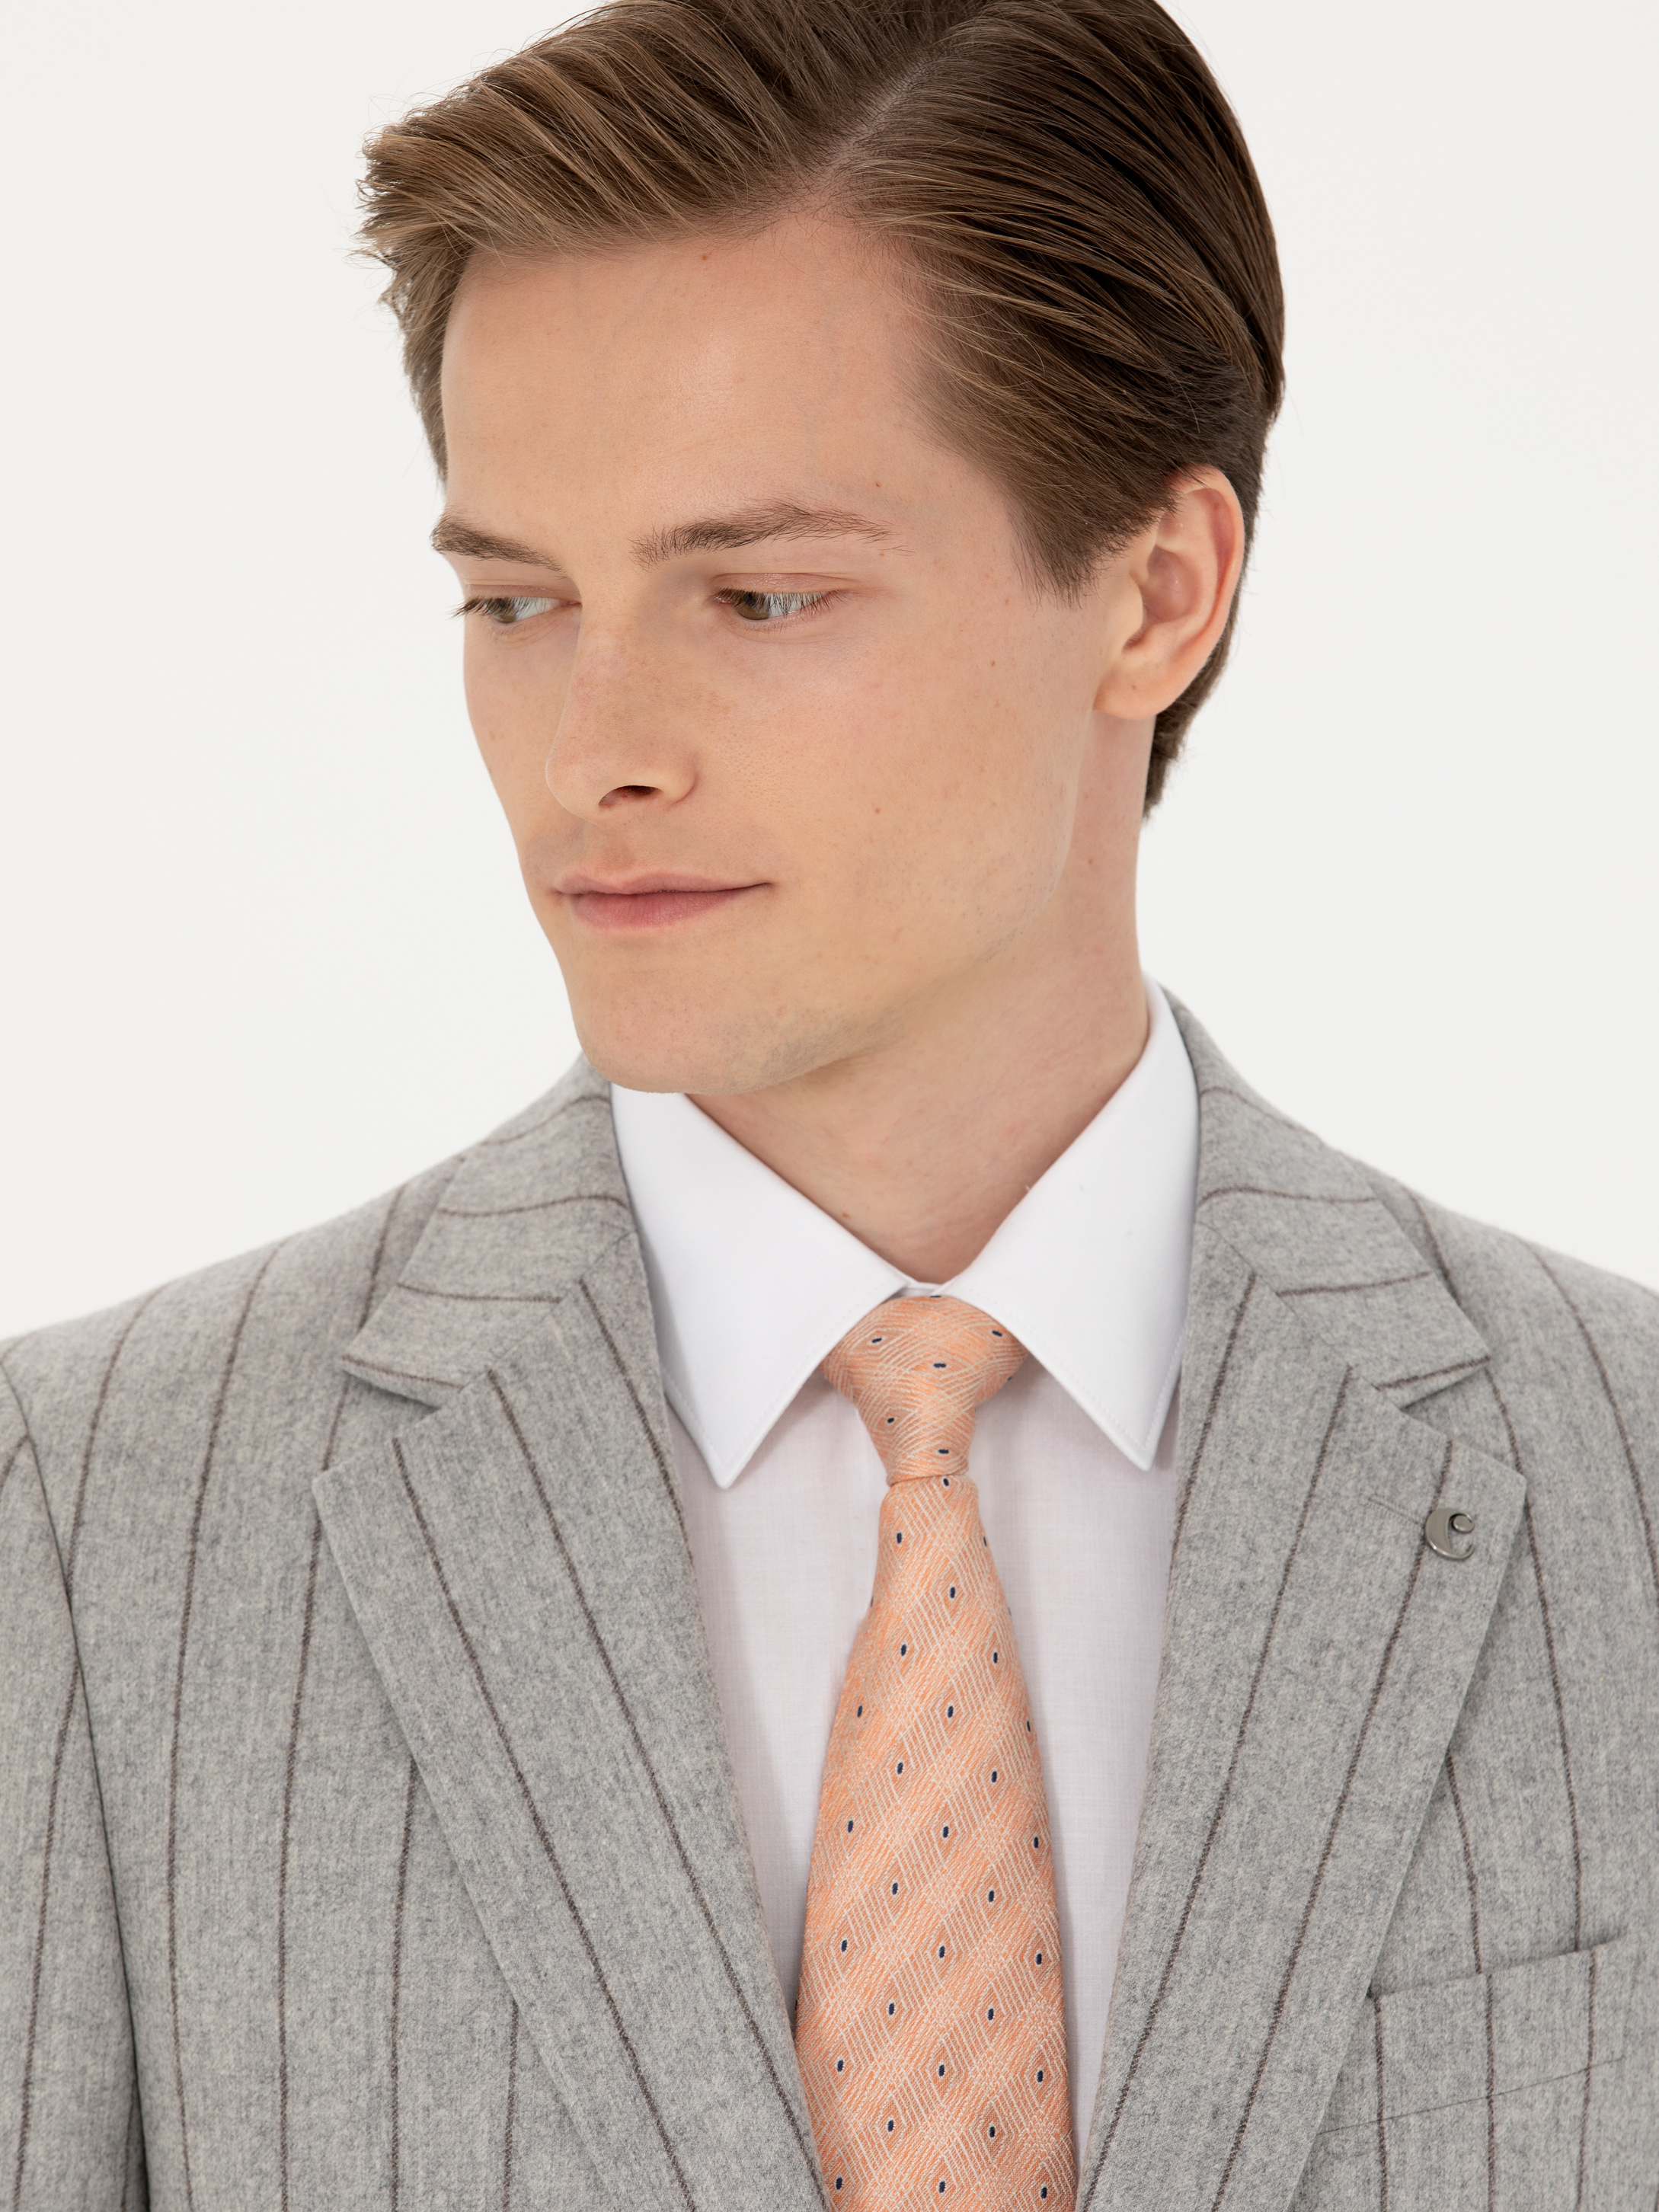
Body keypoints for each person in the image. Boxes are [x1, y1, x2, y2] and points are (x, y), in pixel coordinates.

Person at [3, 0, 1654, 2204]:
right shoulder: (94, 1520)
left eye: (760, 594)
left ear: (1157, 593)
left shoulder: (1619, 1481)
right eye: (515, 600)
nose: (592, 750)